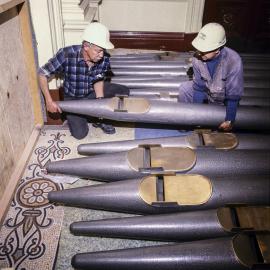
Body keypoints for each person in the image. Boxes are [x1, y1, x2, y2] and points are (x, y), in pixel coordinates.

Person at [39, 22, 129, 139]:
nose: (102, 55)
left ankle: (96, 117)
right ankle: (82, 114)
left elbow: (98, 79)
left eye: (103, 50)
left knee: (124, 91)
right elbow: (42, 74)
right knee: (80, 134)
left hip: (91, 92)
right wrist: (49, 100)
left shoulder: (104, 58)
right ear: (86, 46)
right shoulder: (66, 54)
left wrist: (100, 104)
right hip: (73, 98)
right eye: (98, 51)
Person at [178, 22, 243, 131]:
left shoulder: (233, 61)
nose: (200, 53)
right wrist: (196, 115)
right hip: (207, 93)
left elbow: (233, 95)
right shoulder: (197, 58)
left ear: (217, 49)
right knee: (185, 88)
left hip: (222, 99)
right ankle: (185, 123)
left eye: (204, 50)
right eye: (199, 49)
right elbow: (199, 87)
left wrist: (229, 119)